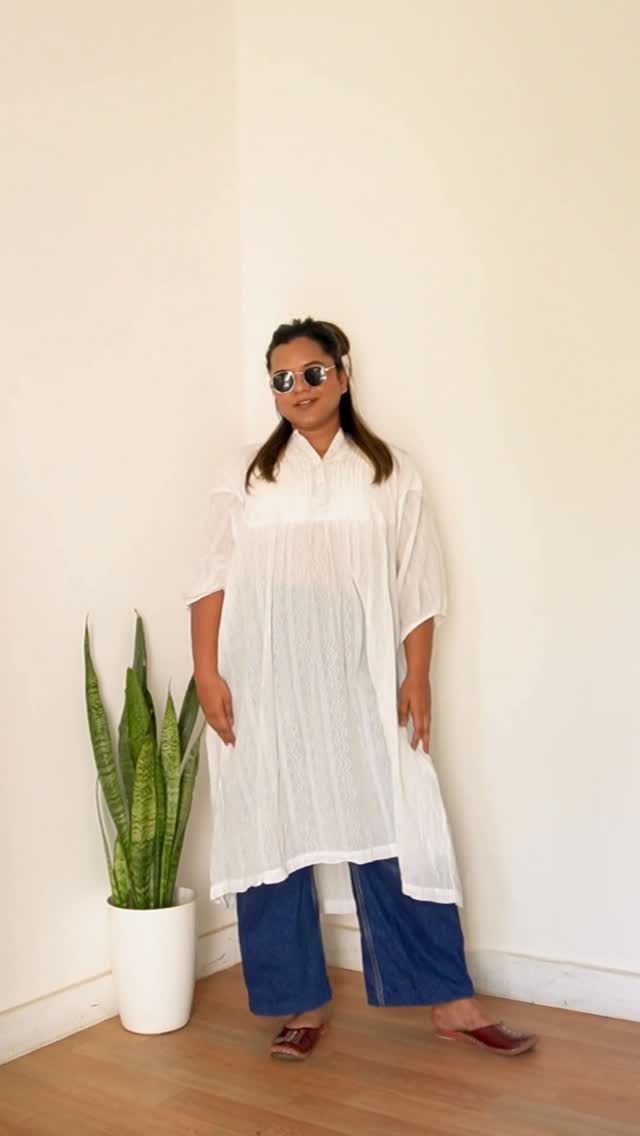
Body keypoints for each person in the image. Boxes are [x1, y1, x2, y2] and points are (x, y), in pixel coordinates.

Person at [187, 317, 537, 1061]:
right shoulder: (247, 474)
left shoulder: (389, 472)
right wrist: (207, 671)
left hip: (361, 679)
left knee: (396, 821)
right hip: (266, 684)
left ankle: (450, 1000)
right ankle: (300, 1002)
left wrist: (418, 674)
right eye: (282, 380)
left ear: (343, 375)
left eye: (313, 373)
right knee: (272, 830)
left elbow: (417, 579)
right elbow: (209, 577)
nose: (299, 389)